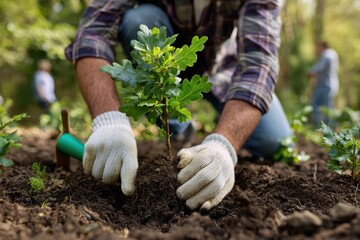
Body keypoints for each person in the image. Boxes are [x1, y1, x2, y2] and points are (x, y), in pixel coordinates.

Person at [65, 0, 292, 211]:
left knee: (275, 141)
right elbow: (93, 32)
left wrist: (224, 144)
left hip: (225, 66)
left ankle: (216, 131)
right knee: (139, 19)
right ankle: (177, 131)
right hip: (162, 57)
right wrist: (108, 119)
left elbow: (259, 66)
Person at [308, 41, 339, 127]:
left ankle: (317, 126)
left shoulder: (327, 54)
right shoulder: (334, 53)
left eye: (318, 48)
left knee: (317, 105)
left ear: (322, 46)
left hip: (325, 85)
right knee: (328, 107)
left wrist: (311, 72)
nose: (317, 50)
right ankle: (330, 129)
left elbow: (319, 67)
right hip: (333, 84)